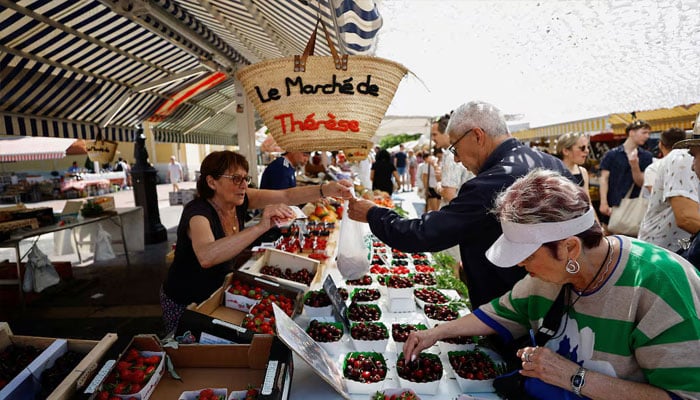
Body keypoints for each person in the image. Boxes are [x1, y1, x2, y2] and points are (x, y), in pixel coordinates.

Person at [403, 169, 700, 400]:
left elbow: (685, 395)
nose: (521, 265)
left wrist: (574, 377)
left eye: (527, 256)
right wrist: (436, 333)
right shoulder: (548, 278)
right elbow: (497, 313)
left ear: (569, 248)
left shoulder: (658, 283)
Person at [348, 100, 573, 310]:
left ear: (477, 135)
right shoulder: (553, 163)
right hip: (556, 301)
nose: (455, 159)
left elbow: (425, 234)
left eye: (454, 148)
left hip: (510, 308)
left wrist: (373, 214)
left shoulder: (490, 183)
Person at [160, 150, 352, 334]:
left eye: (245, 178)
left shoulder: (239, 200)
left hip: (219, 294)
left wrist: (325, 189)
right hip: (186, 300)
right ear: (211, 182)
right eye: (236, 178)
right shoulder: (198, 213)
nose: (243, 184)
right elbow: (207, 256)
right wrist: (260, 227)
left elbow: (287, 196)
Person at [638, 127, 699, 252]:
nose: (692, 166)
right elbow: (685, 218)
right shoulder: (681, 158)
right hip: (662, 254)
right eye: (693, 155)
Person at [598, 120, 653, 226]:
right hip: (612, 204)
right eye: (644, 132)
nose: (647, 136)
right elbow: (604, 178)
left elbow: (641, 183)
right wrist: (603, 202)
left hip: (634, 206)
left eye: (648, 133)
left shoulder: (646, 156)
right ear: (632, 133)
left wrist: (634, 166)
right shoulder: (611, 154)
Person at [431, 112, 474, 205]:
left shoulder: (451, 155)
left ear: (446, 133)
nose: (432, 139)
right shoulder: (458, 151)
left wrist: (438, 184)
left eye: (435, 134)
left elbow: (449, 194)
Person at [555, 132, 595, 209]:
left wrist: (595, 220)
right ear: (566, 151)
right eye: (582, 148)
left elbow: (588, 202)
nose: (587, 151)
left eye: (588, 147)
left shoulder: (583, 171)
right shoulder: (554, 172)